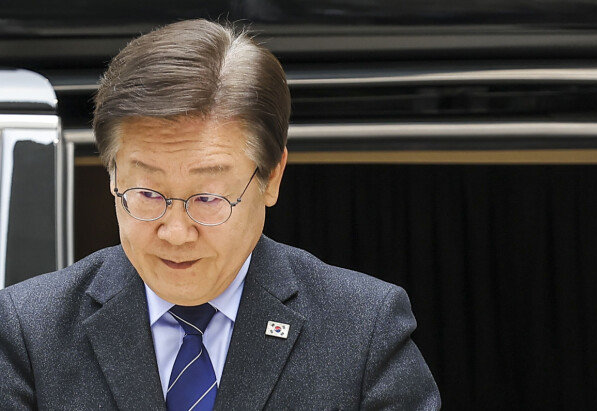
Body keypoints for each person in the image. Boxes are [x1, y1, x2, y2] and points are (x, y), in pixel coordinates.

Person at [0, 19, 440, 410]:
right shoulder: (29, 332)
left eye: (207, 199)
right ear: (112, 174)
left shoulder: (361, 330)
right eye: (147, 193)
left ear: (271, 177)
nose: (175, 233)